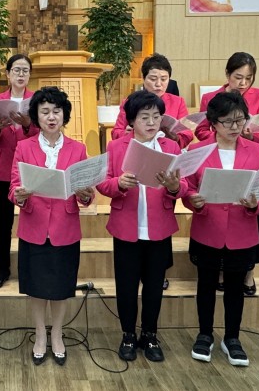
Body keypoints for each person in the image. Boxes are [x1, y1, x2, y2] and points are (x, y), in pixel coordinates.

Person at [97, 90, 187, 363]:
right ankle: (128, 334)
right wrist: (119, 184)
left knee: (154, 286)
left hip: (159, 227)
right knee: (126, 286)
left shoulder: (171, 148)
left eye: (156, 117)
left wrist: (174, 186)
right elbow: (103, 183)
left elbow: (184, 186)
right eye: (144, 117)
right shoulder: (116, 147)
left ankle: (150, 334)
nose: (151, 122)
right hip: (127, 226)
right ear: (131, 120)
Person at [182, 91, 259, 367]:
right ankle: (205, 334)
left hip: (242, 230)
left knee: (235, 288)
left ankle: (232, 337)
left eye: (240, 120)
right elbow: (187, 187)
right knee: (206, 284)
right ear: (213, 122)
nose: (235, 127)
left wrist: (256, 204)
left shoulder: (256, 150)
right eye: (228, 121)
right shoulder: (197, 151)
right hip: (208, 226)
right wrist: (192, 199)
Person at [10, 86, 95, 366]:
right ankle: (39, 334)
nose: (51, 117)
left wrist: (85, 194)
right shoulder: (24, 147)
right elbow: (13, 187)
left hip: (64, 228)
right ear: (36, 116)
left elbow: (87, 193)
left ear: (64, 115)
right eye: (44, 111)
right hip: (34, 226)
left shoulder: (78, 149)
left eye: (56, 111)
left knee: (61, 286)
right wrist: (19, 195)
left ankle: (57, 334)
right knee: (36, 287)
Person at [195, 52, 259, 295]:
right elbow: (201, 130)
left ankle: (248, 272)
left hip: (247, 157)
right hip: (218, 158)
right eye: (238, 77)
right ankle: (220, 271)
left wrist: (249, 136)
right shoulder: (210, 98)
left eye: (248, 78)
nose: (243, 83)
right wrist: (221, 136)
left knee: (251, 214)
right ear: (228, 74)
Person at [0, 54, 38, 290]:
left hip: (30, 166)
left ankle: (31, 268)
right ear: (7, 73)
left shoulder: (36, 100)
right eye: (16, 70)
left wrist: (27, 124)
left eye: (25, 70)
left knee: (33, 219)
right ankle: (3, 268)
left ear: (30, 74)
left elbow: (41, 134)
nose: (21, 74)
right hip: (3, 169)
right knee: (3, 222)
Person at [111, 53, 193, 148]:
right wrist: (128, 134)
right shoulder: (130, 102)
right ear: (144, 78)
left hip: (167, 149)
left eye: (163, 79)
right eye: (153, 79)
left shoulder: (178, 102)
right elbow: (116, 133)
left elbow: (188, 134)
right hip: (138, 149)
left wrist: (176, 138)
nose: (158, 84)